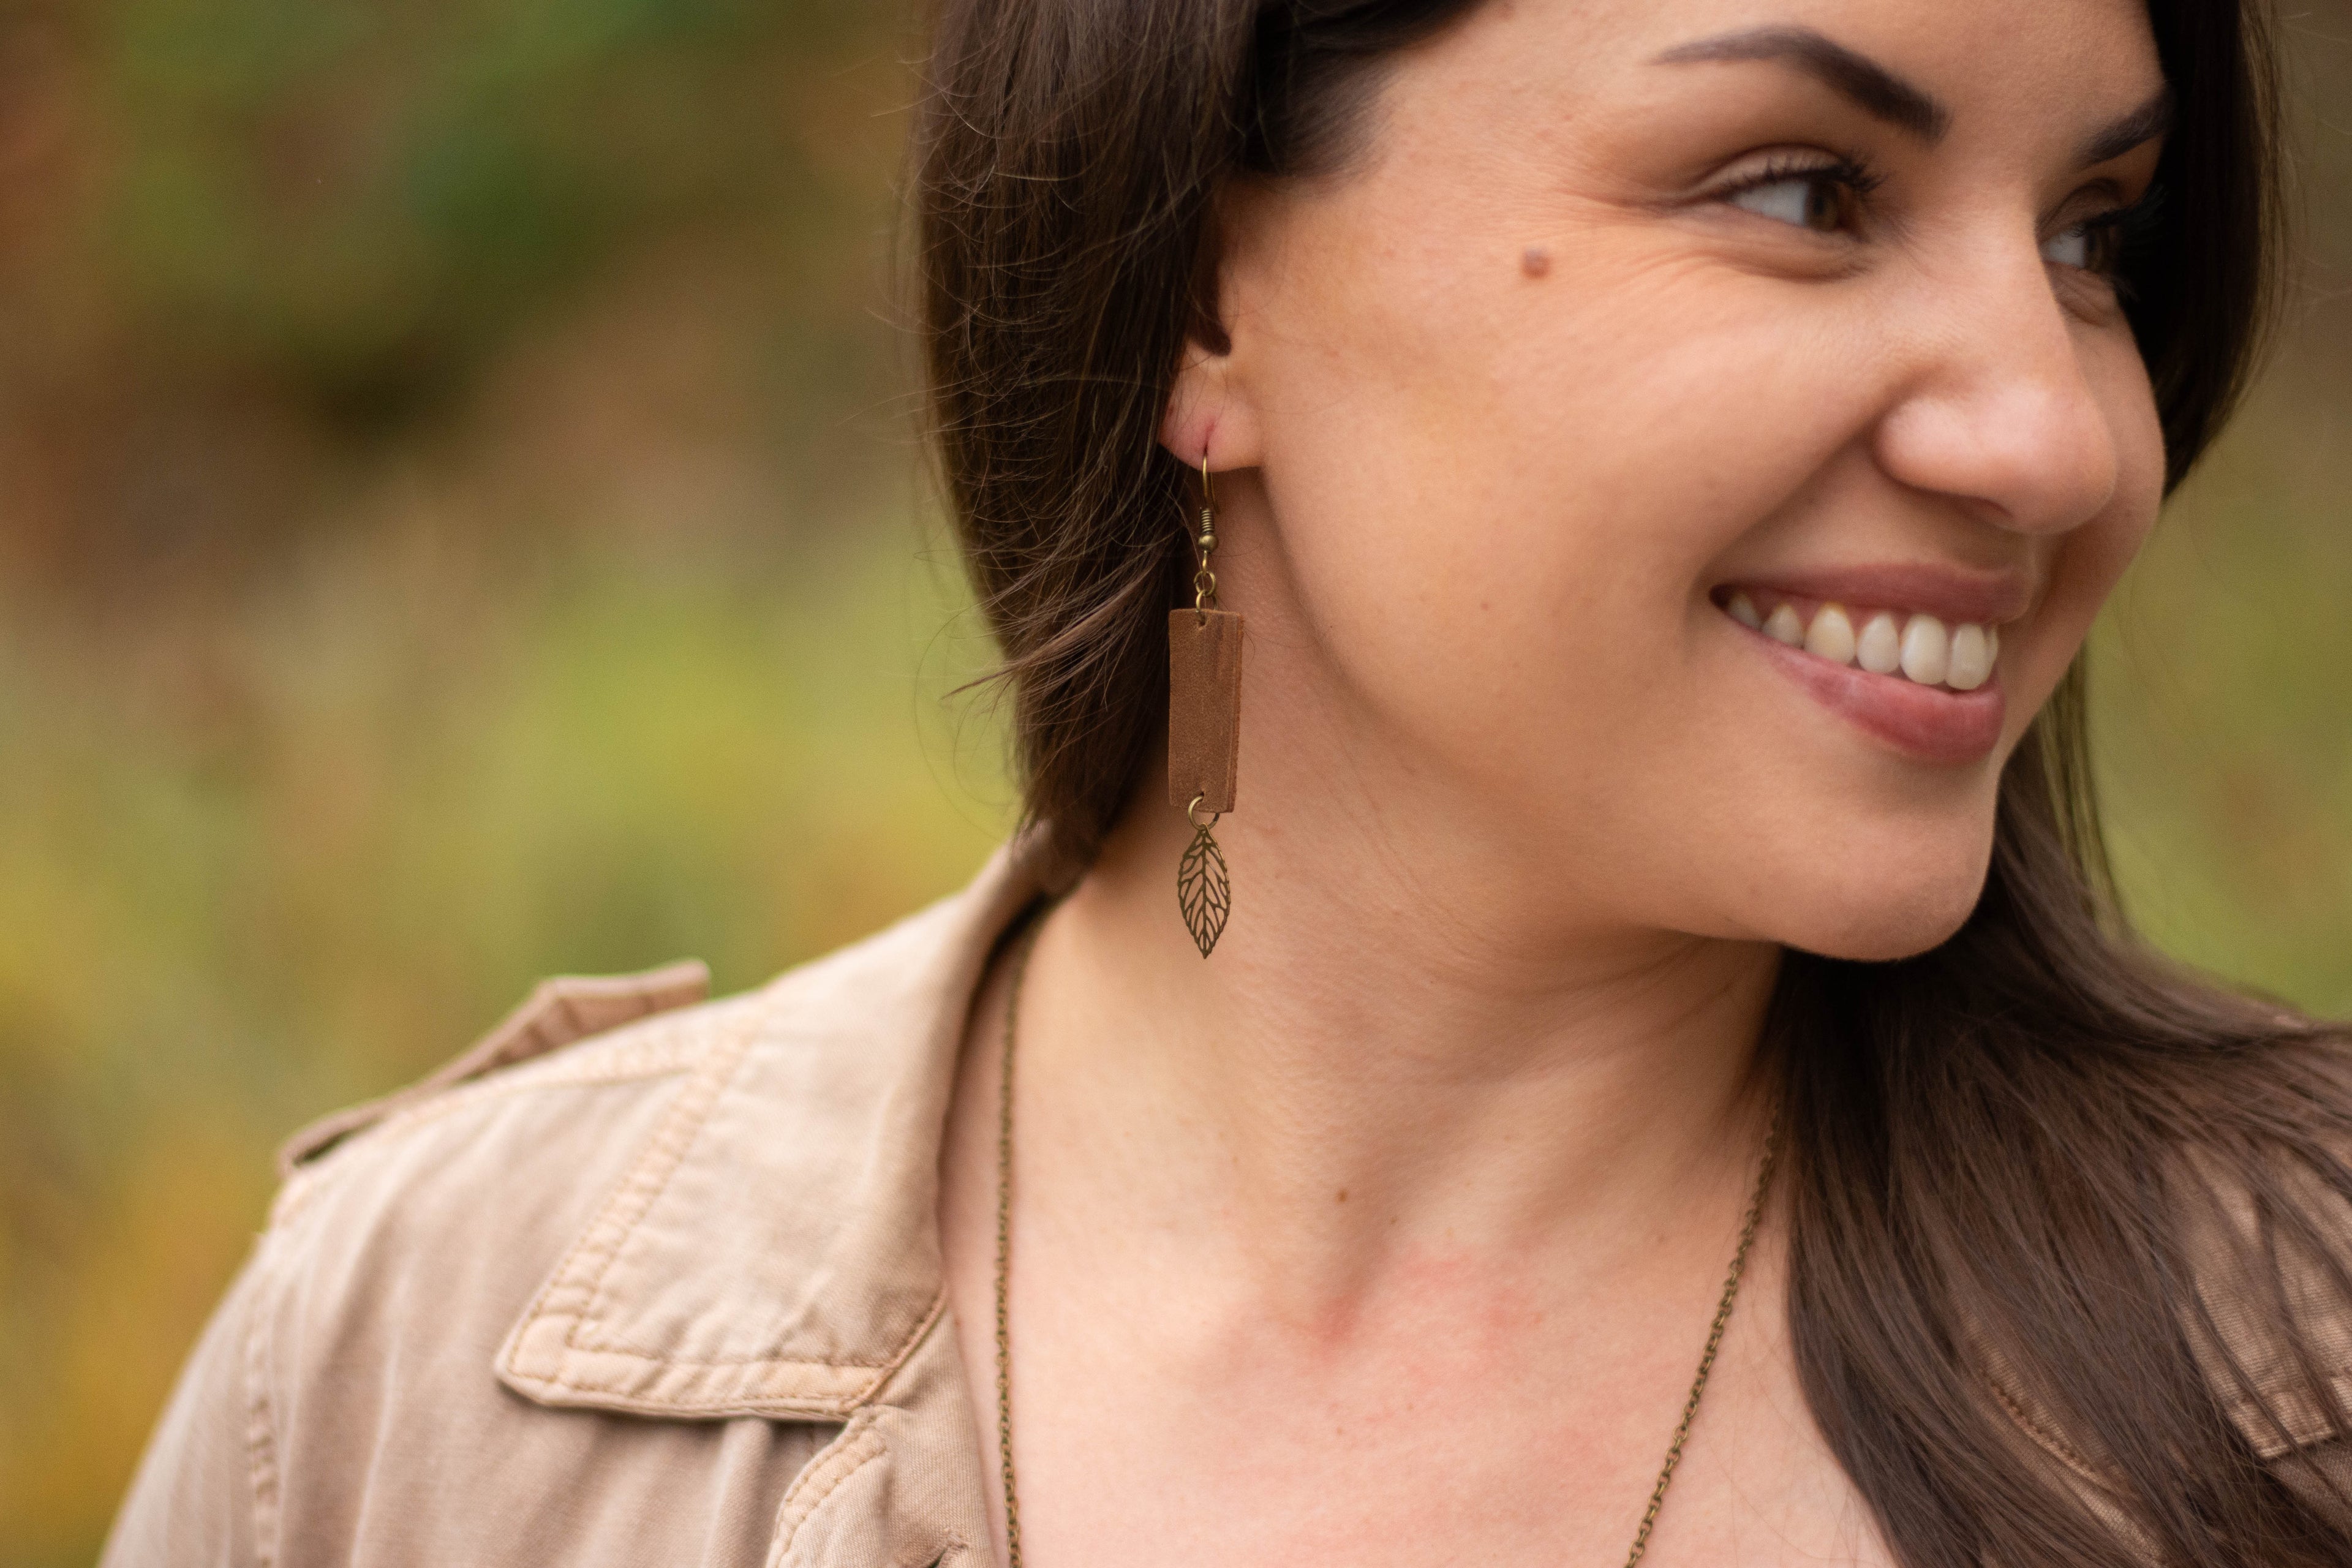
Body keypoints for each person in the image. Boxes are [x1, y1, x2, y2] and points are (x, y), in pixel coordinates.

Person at [104, 0, 2352, 1564]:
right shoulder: (421, 1367)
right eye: (1799, 189)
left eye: (2093, 238)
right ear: (1198, 294)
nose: (2063, 436)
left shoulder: (2305, 1372)